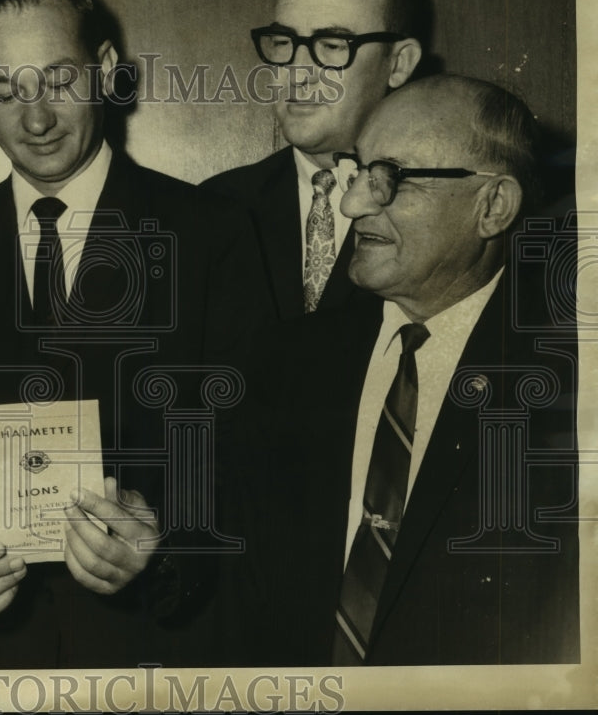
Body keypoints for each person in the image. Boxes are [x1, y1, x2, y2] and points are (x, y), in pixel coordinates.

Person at [0, 0, 265, 669]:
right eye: (5, 88)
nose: (35, 119)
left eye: (58, 80)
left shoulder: (211, 234)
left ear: (106, 70)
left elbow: (254, 454)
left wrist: (166, 544)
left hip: (160, 653)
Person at [222, 74, 579, 666]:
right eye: (357, 170)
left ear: (493, 207)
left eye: (390, 178)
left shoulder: (568, 386)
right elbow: (236, 579)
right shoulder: (289, 362)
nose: (351, 202)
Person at [203, 0, 427, 320]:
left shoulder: (442, 211)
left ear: (398, 63)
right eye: (284, 42)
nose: (297, 72)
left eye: (332, 45)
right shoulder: (215, 209)